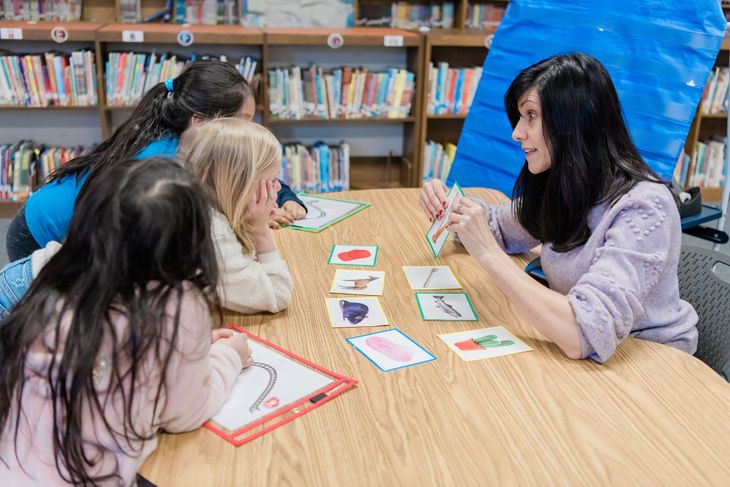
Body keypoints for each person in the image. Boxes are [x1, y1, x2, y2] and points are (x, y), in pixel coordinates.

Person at [420, 53, 698, 363]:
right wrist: (450, 206)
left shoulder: (645, 206)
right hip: (591, 357)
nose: (517, 133)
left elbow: (583, 332)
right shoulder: (569, 183)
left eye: (531, 116)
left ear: (573, 121)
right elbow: (498, 227)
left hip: (653, 365)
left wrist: (486, 252)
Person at [0, 157, 251, 485]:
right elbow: (186, 412)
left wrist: (192, 347)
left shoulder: (61, 275)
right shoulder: (178, 302)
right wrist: (230, 357)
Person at [6, 59, 305, 262]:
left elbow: (251, 172)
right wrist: (247, 218)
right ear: (200, 121)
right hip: (40, 239)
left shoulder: (194, 141)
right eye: (241, 121)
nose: (249, 131)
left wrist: (286, 197)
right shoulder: (164, 166)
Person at [178, 117, 293, 314]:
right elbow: (278, 294)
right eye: (272, 179)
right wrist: (260, 231)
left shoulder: (202, 206)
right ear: (238, 183)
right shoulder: (212, 234)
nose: (278, 187)